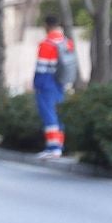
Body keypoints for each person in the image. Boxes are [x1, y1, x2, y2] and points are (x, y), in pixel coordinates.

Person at [34, 14, 74, 157]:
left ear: (46, 26)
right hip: (60, 82)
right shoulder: (67, 42)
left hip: (46, 82)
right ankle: (60, 145)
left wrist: (36, 84)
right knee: (58, 113)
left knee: (48, 114)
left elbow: (41, 68)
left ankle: (53, 147)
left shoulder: (46, 44)